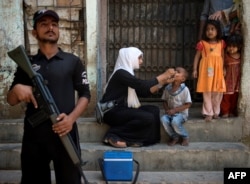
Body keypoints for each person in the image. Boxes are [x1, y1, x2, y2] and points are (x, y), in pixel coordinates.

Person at [7, 9, 91, 184]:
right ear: (34, 32)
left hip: (65, 133)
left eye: (54, 24)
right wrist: (17, 90)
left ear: (59, 30)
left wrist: (71, 119)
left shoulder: (72, 61)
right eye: (43, 24)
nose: (50, 27)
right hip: (34, 138)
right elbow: (11, 100)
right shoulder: (27, 64)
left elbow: (85, 94)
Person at [100, 47, 176, 148]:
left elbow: (143, 92)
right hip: (111, 111)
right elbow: (141, 85)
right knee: (146, 117)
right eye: (139, 58)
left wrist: (163, 83)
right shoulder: (121, 73)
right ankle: (113, 134)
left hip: (123, 109)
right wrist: (163, 75)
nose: (141, 61)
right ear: (130, 58)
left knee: (154, 110)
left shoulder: (128, 73)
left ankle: (148, 140)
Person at [193, 20, 226, 122]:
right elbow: (197, 57)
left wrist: (224, 68)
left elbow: (223, 56)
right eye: (207, 29)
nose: (210, 31)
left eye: (212, 29)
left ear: (217, 31)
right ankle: (208, 113)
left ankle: (216, 112)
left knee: (218, 92)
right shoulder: (202, 43)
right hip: (206, 71)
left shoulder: (222, 43)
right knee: (207, 91)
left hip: (218, 71)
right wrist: (195, 69)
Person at [160, 67, 192, 146]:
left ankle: (185, 136)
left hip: (181, 114)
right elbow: (164, 100)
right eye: (175, 71)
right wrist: (167, 110)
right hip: (170, 113)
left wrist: (175, 110)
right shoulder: (167, 88)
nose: (175, 72)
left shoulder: (185, 89)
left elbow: (188, 104)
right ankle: (174, 137)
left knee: (175, 121)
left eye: (178, 72)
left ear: (183, 79)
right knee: (163, 119)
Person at [220, 33, 243, 118]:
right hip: (227, 81)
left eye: (234, 46)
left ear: (239, 47)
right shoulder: (226, 56)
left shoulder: (241, 56)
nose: (231, 48)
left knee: (235, 97)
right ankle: (225, 112)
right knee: (226, 97)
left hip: (236, 81)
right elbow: (222, 65)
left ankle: (232, 111)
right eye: (229, 46)